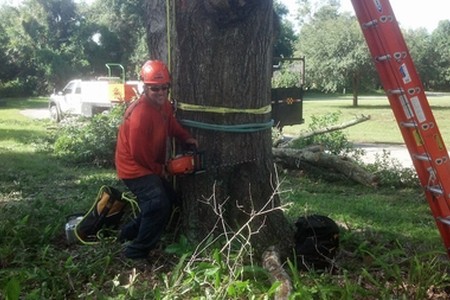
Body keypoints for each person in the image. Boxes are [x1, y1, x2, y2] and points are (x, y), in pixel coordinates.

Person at [115, 60, 198, 259]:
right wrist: (163, 170)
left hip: (147, 165)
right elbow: (139, 154)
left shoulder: (164, 106)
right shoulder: (141, 114)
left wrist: (185, 137)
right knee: (157, 203)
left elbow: (171, 124)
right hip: (133, 168)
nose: (160, 92)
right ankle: (136, 252)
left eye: (164, 88)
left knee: (169, 199)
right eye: (155, 89)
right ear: (145, 88)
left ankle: (127, 234)